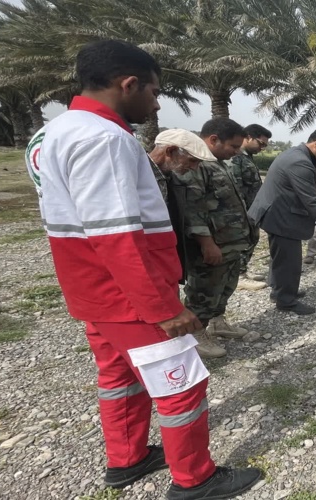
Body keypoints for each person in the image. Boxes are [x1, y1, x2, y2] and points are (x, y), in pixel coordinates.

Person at [25, 39, 259, 499]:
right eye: (153, 92)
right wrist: (163, 307)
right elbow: (117, 235)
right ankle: (194, 478)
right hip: (129, 296)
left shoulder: (56, 131)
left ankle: (127, 459)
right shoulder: (103, 137)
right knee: (181, 385)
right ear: (127, 83)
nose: (156, 103)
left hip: (95, 292)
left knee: (119, 377)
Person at [172, 118, 258, 358]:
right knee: (204, 290)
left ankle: (218, 323)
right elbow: (193, 209)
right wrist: (207, 243)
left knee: (225, 286)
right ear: (213, 140)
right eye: (232, 146)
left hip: (230, 243)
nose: (236, 151)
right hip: (213, 245)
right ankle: (195, 335)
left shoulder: (219, 163)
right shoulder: (196, 165)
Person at [248, 127, 316, 315]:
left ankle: (279, 290)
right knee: (290, 261)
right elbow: (310, 200)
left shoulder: (296, 154)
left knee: (281, 258)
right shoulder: (300, 162)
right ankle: (286, 300)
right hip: (280, 216)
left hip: (275, 213)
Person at [147, 129, 216, 283]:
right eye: (192, 161)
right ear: (170, 151)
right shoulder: (137, 176)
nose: (194, 168)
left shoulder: (172, 178)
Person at [226, 123, 272, 288]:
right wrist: (243, 212)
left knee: (252, 238)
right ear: (249, 137)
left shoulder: (246, 157)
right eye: (261, 143)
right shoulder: (235, 158)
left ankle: (243, 269)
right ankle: (238, 276)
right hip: (242, 211)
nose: (262, 148)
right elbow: (236, 188)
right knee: (243, 241)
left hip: (252, 210)